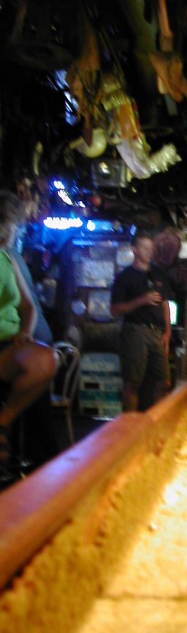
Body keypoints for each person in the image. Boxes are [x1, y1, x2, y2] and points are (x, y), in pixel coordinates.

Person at [0, 191, 57, 476]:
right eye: (14, 224)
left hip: (13, 345)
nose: (17, 229)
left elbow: (28, 306)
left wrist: (24, 331)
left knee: (44, 362)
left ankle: (4, 424)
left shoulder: (8, 259)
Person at [110, 230, 172, 412]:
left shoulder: (159, 274)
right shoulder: (125, 277)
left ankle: (158, 425)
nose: (148, 251)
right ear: (134, 250)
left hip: (157, 333)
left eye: (150, 248)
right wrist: (141, 300)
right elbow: (114, 310)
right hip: (134, 331)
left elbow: (165, 304)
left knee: (164, 382)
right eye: (144, 247)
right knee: (133, 383)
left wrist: (168, 332)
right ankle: (129, 429)